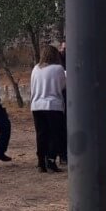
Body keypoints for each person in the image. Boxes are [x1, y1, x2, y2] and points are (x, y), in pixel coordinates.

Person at [30, 45, 66, 173]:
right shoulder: (58, 69)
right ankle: (51, 159)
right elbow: (63, 85)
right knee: (55, 134)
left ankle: (40, 162)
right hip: (53, 105)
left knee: (41, 134)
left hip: (36, 105)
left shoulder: (35, 68)